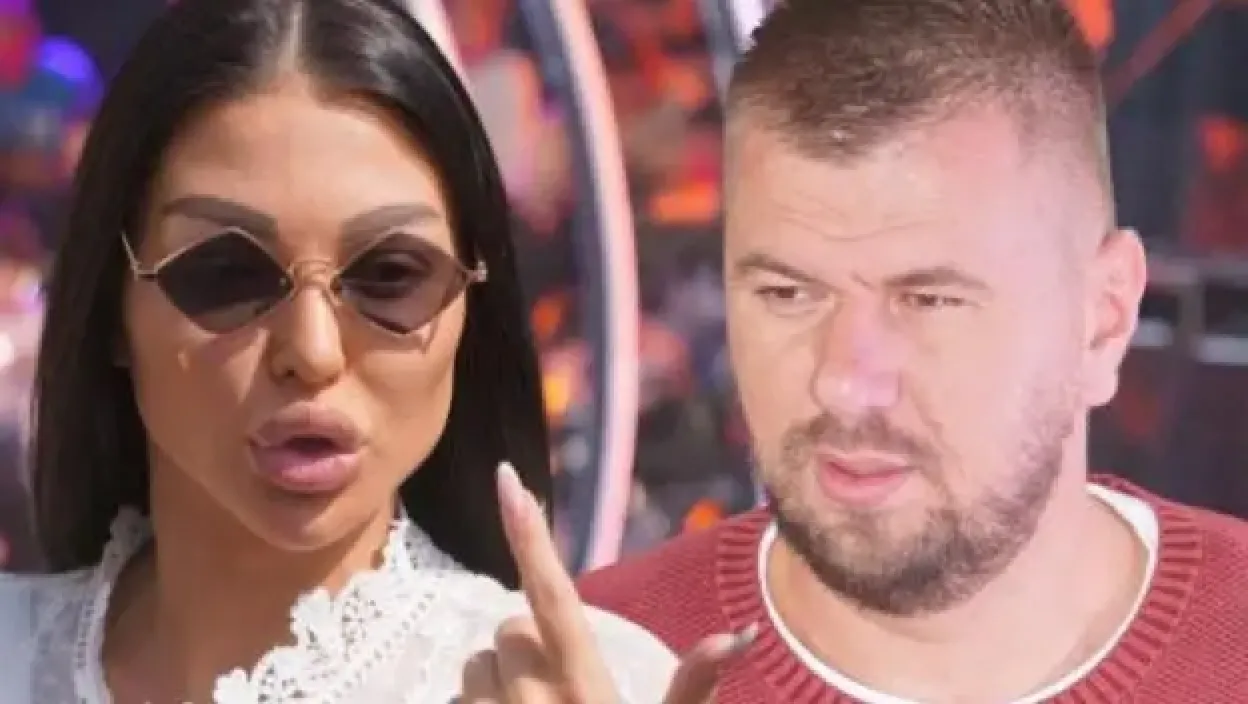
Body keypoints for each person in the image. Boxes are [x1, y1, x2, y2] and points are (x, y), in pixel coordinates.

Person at [0, 0, 686, 701]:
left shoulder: (609, 683)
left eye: (390, 276)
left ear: (471, 305)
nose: (313, 350)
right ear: (111, 303)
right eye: (229, 274)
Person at [579, 0, 1248, 702]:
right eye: (788, 293)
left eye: (929, 300)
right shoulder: (581, 666)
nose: (845, 382)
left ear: (1103, 322)